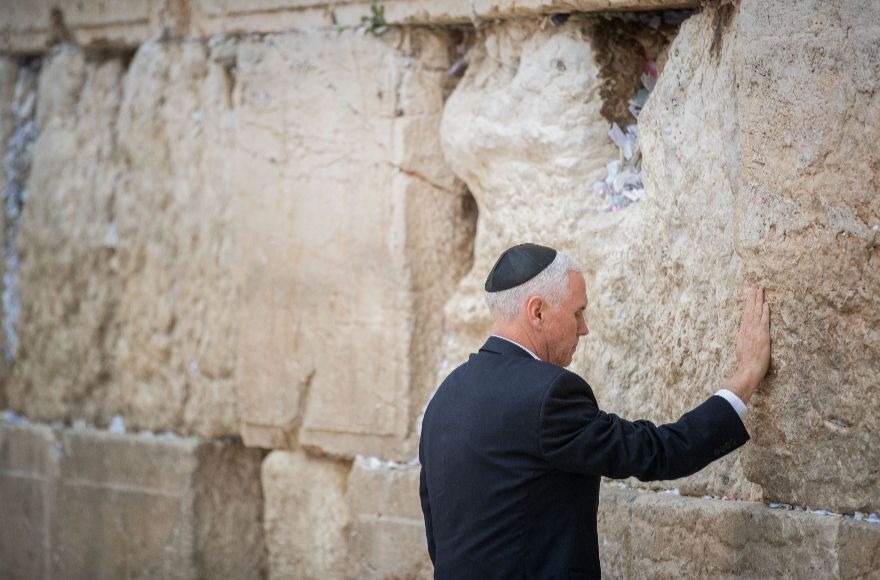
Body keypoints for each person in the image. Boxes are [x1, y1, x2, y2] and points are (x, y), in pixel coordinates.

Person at [418, 243, 771, 579]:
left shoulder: (444, 398)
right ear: (537, 311)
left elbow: (438, 531)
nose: (584, 328)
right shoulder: (549, 395)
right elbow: (658, 452)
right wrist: (745, 377)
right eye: (577, 312)